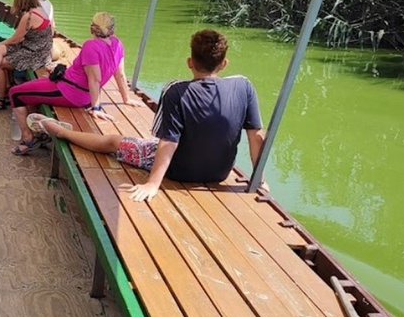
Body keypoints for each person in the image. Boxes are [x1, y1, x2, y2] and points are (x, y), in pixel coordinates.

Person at [33, 29, 266, 202]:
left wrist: (153, 184)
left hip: (180, 170)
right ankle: (60, 130)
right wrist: (260, 180)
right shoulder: (244, 87)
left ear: (190, 62)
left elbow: (167, 142)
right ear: (224, 63)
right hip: (220, 172)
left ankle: (61, 131)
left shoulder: (177, 90)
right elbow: (256, 137)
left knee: (114, 141)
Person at [6, 12, 142, 155]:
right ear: (112, 30)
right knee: (36, 86)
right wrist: (126, 99)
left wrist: (96, 108)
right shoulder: (117, 44)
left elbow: (95, 79)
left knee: (15, 93)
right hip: (78, 89)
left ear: (92, 29)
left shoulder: (91, 46)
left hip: (70, 92)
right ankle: (39, 132)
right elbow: (120, 75)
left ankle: (28, 139)